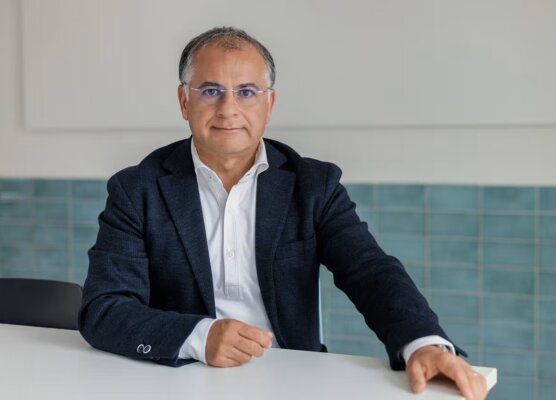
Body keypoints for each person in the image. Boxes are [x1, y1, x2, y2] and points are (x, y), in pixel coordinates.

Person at [79, 26, 487, 399]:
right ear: (184, 101)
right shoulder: (137, 189)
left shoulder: (313, 185)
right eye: (210, 90)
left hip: (294, 381)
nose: (228, 109)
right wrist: (200, 336)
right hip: (177, 380)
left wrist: (423, 343)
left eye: (246, 92)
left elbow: (369, 270)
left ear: (269, 103)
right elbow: (104, 309)